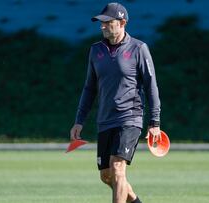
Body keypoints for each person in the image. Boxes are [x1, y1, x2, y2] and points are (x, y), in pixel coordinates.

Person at [69, 2, 161, 203]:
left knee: (118, 169)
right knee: (107, 175)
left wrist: (155, 123)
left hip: (130, 117)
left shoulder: (139, 48)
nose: (102, 26)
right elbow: (89, 88)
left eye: (107, 23)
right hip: (105, 120)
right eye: (101, 23)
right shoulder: (95, 51)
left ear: (122, 23)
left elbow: (151, 86)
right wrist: (79, 120)